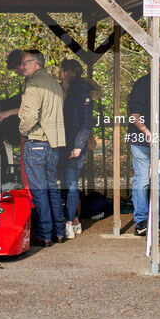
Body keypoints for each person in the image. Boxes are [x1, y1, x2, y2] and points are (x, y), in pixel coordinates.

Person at [126, 51, 160, 236]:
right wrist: (146, 131)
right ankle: (141, 221)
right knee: (142, 179)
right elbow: (134, 114)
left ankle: (157, 219)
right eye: (159, 69)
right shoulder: (142, 84)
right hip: (141, 138)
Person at [17, 49, 67, 246]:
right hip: (54, 142)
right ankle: (59, 231)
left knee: (39, 191)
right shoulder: (54, 83)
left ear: (36, 63)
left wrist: (22, 130)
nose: (22, 66)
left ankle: (45, 234)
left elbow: (30, 115)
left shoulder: (34, 83)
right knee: (52, 188)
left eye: (25, 62)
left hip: (36, 141)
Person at [58, 58, 99, 239]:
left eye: (61, 70)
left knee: (71, 183)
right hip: (65, 143)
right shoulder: (66, 89)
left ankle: (68, 224)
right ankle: (75, 221)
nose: (58, 73)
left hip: (74, 145)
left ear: (67, 72)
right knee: (68, 183)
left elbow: (86, 123)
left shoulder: (81, 92)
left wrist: (78, 146)